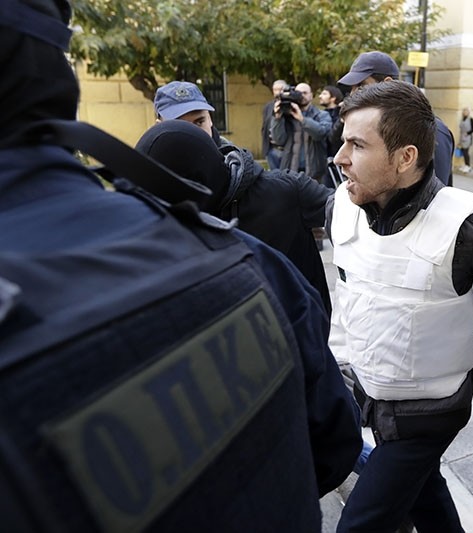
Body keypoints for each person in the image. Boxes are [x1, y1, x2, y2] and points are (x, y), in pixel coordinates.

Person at [0, 1, 360, 531]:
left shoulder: (252, 234)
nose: (202, 129)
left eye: (202, 117)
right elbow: (334, 440)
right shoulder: (246, 260)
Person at [326, 81, 473, 532]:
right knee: (426, 497)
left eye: (357, 145)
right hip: (372, 399)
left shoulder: (470, 225)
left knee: (360, 522)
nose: (340, 158)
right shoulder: (338, 206)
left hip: (431, 411)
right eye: (344, 141)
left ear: (405, 158)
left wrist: (469, 322)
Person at [136, 119, 335, 315]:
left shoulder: (285, 191)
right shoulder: (167, 226)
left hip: (302, 336)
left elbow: (350, 212)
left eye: (199, 120)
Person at [336, 50, 455, 187]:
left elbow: (435, 191)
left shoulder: (433, 129)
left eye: (361, 86)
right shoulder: (375, 125)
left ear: (387, 82)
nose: (353, 94)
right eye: (352, 88)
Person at [270, 82, 332, 185]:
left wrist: (302, 119)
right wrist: (277, 118)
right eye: (298, 93)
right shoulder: (286, 116)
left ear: (311, 96)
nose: (301, 96)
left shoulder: (322, 115)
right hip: (290, 171)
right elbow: (278, 140)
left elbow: (320, 134)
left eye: (305, 93)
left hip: (315, 172)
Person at [261, 78, 286, 168]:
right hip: (271, 149)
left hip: (287, 150)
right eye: (275, 89)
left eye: (280, 89)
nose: (278, 92)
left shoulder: (290, 105)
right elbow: (264, 127)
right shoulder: (268, 106)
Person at [320, 84, 345, 157]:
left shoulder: (341, 114)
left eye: (324, 94)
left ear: (333, 98)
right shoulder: (320, 114)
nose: (320, 96)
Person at [458, 107, 473, 172]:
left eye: (466, 111)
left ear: (468, 112)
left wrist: (468, 133)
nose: (465, 112)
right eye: (464, 111)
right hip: (462, 137)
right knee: (463, 151)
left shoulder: (470, 119)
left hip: (468, 137)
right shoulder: (462, 119)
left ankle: (468, 166)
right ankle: (465, 165)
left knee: (466, 152)